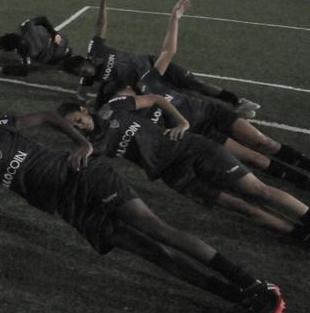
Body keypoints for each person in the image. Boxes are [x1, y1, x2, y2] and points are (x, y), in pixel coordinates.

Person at [0, 115, 285, 313]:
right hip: (73, 210)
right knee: (153, 253)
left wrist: (83, 144)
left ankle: (251, 282)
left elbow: (49, 116)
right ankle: (236, 298)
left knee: (155, 227)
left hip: (85, 177)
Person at [59, 94, 310, 240]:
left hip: (192, 149)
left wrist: (182, 122)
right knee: (242, 207)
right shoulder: (89, 146)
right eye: (74, 127)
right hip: (173, 176)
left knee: (258, 191)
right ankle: (298, 235)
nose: (80, 126)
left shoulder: (113, 107)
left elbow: (157, 98)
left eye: (78, 120)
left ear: (83, 110)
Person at [132, 0, 310, 190]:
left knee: (264, 141)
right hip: (200, 132)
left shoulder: (147, 82)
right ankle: (303, 182)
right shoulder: (130, 110)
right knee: (255, 158)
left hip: (210, 111)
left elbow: (168, 51)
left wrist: (174, 19)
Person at [60, 0, 259, 115]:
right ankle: (229, 116)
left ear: (85, 60)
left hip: (155, 65)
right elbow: (84, 94)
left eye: (83, 69)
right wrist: (83, 101)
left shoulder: (95, 50)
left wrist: (103, 2)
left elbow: (100, 25)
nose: (84, 73)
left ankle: (237, 102)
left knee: (196, 83)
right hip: (148, 84)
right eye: (79, 74)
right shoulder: (92, 80)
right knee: (188, 100)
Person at [0, 15, 71, 76]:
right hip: (61, 40)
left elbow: (24, 71)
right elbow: (43, 19)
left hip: (54, 54)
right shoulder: (26, 27)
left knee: (41, 58)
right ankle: (64, 53)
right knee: (44, 47)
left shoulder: (24, 49)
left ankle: (62, 59)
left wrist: (2, 69)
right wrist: (54, 34)